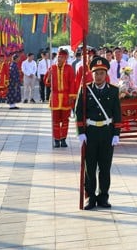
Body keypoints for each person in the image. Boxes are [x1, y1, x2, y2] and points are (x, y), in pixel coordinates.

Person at [76, 56, 122, 210]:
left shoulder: (114, 90)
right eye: (96, 73)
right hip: (91, 133)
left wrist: (117, 133)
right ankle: (91, 197)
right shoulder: (85, 89)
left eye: (102, 73)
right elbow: (78, 111)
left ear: (106, 74)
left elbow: (117, 113)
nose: (99, 76)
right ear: (92, 74)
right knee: (90, 167)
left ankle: (103, 196)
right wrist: (81, 132)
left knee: (105, 167)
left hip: (107, 132)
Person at [47, 48, 77, 148]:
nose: (59, 59)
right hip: (55, 97)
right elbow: (46, 83)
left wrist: (72, 96)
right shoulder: (52, 68)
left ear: (66, 58)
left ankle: (63, 139)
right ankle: (56, 139)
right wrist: (49, 76)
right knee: (55, 120)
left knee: (65, 120)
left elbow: (72, 83)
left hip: (65, 97)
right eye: (58, 57)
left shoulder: (69, 68)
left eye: (62, 57)